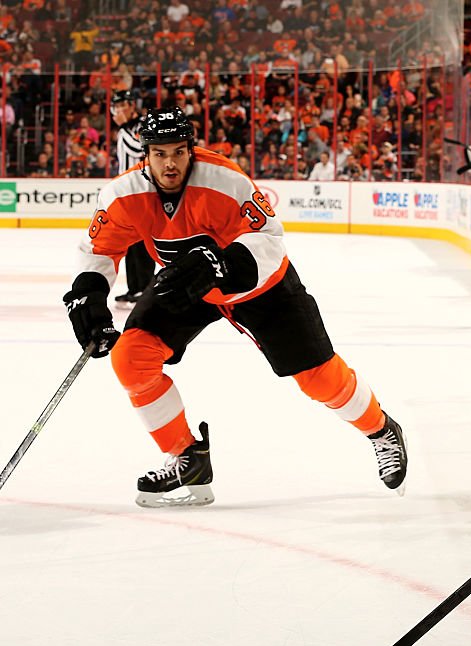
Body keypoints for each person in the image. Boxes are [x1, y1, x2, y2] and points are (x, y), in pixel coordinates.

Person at [62, 107, 408, 508]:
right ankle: (186, 457)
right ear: (146, 156)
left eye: (178, 151)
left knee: (318, 378)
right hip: (187, 286)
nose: (170, 163)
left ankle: (382, 430)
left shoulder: (225, 180)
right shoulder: (122, 195)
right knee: (131, 357)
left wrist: (223, 265)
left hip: (259, 286)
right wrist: (89, 293)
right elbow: (99, 249)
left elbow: (269, 239)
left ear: (191, 150)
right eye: (160, 154)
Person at [109, 89, 155, 307]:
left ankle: (145, 289)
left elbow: (140, 148)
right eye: (117, 106)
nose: (120, 110)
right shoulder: (126, 128)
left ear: (132, 106)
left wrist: (122, 128)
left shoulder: (142, 124)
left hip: (142, 190)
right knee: (131, 243)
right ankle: (135, 288)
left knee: (143, 241)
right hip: (127, 191)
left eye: (123, 105)